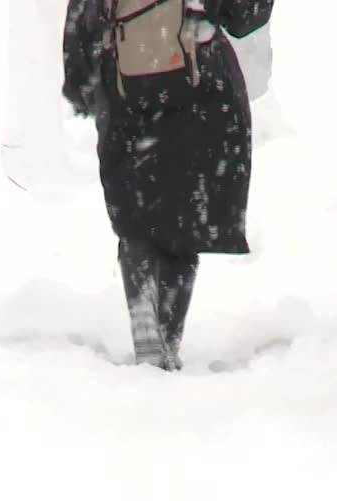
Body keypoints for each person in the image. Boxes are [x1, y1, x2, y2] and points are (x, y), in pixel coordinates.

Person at [62, 0, 274, 370]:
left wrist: (81, 82)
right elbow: (244, 17)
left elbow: (83, 14)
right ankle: (166, 336)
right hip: (197, 84)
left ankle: (144, 308)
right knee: (183, 217)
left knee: (136, 217)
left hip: (125, 86)